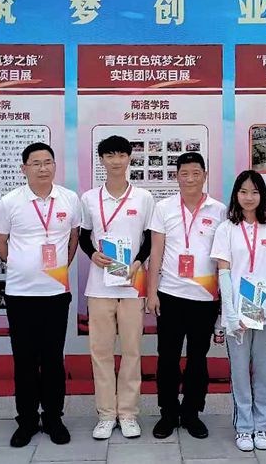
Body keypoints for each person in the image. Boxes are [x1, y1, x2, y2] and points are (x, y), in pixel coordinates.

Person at [0, 143, 81, 447]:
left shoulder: (69, 199)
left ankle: (54, 417)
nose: (43, 168)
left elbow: (73, 238)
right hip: (20, 294)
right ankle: (27, 420)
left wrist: (60, 268)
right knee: (25, 360)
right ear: (24, 168)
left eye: (48, 162)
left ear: (55, 165)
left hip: (56, 293)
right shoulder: (10, 202)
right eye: (36, 163)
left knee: (54, 359)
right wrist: (19, 264)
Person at [79, 135, 155, 440]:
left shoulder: (143, 197)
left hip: (132, 286)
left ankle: (128, 413)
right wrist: (91, 254)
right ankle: (106, 414)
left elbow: (149, 238)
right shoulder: (89, 198)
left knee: (132, 351)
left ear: (129, 158)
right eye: (109, 155)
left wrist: (138, 261)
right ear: (101, 160)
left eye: (121, 155)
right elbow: (83, 236)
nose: (116, 161)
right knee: (100, 352)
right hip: (99, 288)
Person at [147, 152, 226, 440]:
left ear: (205, 175)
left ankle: (192, 412)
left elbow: (224, 256)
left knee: (197, 359)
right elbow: (156, 251)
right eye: (184, 173)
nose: (190, 178)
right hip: (170, 294)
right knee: (167, 358)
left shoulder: (220, 210)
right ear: (176, 176)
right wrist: (151, 292)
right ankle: (168, 413)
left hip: (205, 298)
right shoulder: (163, 208)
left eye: (196, 173)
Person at [210, 170, 266, 452]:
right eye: (243, 192)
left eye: (254, 192)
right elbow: (224, 272)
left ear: (262, 195)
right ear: (236, 195)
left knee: (264, 370)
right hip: (238, 313)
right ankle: (244, 427)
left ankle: (262, 425)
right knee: (240, 372)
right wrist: (229, 312)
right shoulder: (226, 228)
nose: (249, 197)